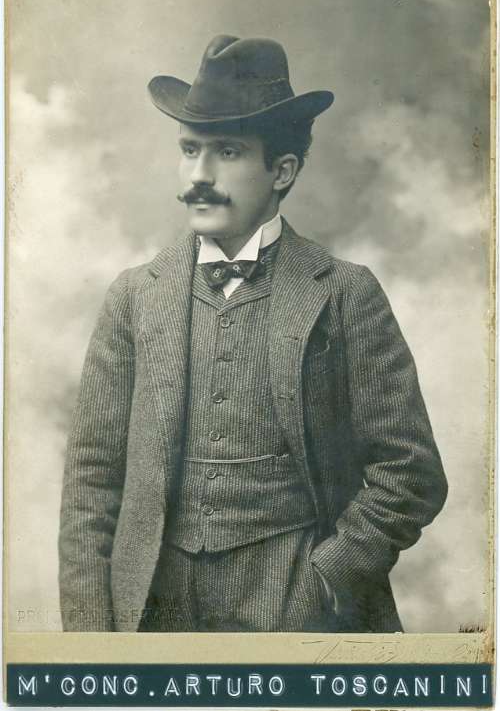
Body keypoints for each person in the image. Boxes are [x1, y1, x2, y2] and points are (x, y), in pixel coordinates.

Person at [58, 35, 448, 633]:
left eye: (228, 152)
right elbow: (91, 485)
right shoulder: (134, 297)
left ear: (282, 170)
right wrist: (92, 646)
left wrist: (330, 577)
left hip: (299, 613)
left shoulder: (345, 293)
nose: (199, 176)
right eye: (190, 149)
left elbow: (410, 472)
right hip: (158, 618)